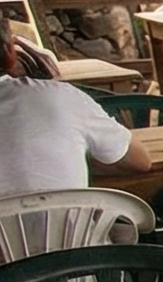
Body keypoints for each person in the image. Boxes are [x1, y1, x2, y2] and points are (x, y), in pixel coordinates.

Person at [0, 33, 152, 199]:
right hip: (73, 224)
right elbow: (140, 161)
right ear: (10, 53)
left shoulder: (61, 96)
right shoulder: (62, 96)